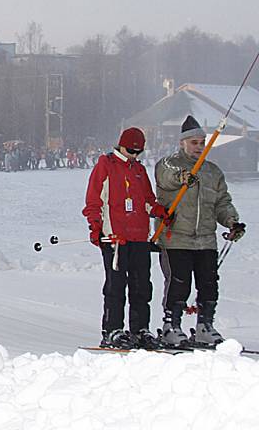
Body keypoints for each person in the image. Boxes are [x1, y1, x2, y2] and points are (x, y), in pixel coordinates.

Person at [155, 115, 245, 347]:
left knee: (209, 283)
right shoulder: (170, 164)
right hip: (176, 238)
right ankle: (171, 326)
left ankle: (205, 325)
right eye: (194, 142)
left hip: (205, 239)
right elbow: (166, 177)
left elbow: (222, 202)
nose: (199, 147)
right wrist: (182, 177)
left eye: (202, 142)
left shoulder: (212, 172)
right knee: (179, 283)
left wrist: (232, 222)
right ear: (183, 142)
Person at [83, 127, 169, 349]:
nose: (133, 155)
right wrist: (95, 226)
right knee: (116, 285)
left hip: (139, 237)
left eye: (138, 152)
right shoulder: (106, 165)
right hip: (115, 237)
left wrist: (159, 211)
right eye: (130, 150)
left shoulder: (139, 169)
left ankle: (140, 329)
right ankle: (113, 330)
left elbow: (147, 200)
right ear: (121, 145)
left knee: (142, 286)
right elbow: (94, 200)